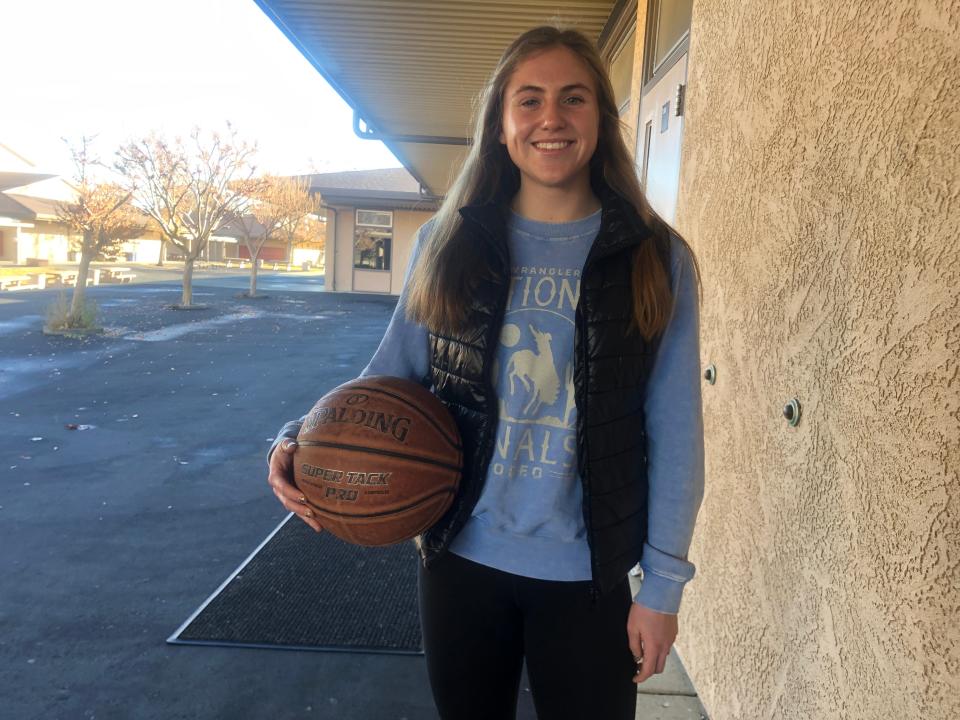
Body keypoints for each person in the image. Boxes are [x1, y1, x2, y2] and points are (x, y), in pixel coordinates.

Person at [267, 25, 704, 720]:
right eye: (528, 101)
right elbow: (390, 378)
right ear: (501, 125)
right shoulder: (447, 245)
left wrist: (663, 589)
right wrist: (298, 439)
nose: (551, 119)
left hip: (586, 576)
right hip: (462, 562)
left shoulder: (657, 258)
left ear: (602, 117)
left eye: (574, 98)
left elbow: (677, 434)